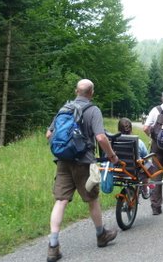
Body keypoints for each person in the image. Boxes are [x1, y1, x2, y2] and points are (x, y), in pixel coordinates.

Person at [45, 79, 119, 262]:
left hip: (62, 161)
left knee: (61, 200)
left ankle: (53, 246)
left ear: (76, 91)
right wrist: (112, 156)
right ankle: (101, 235)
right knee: (92, 199)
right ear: (91, 93)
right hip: (84, 163)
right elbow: (101, 137)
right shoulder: (93, 110)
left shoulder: (65, 108)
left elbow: (49, 135)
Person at [117, 117, 152, 198]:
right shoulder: (138, 142)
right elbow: (145, 156)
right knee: (148, 163)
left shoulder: (113, 142)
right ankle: (145, 189)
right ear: (131, 129)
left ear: (118, 129)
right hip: (134, 172)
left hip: (118, 171)